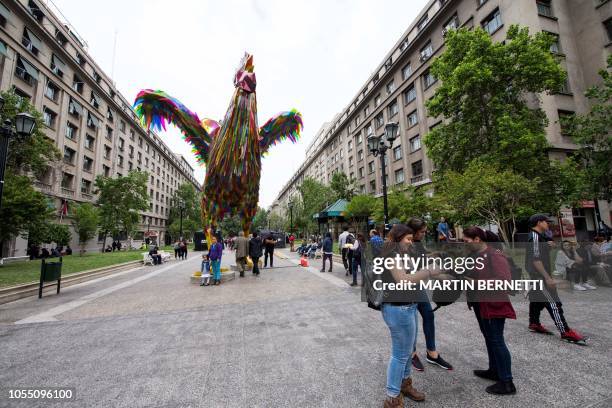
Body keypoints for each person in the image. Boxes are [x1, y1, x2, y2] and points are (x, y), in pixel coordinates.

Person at [380, 224, 444, 408]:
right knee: (400, 355)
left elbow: (414, 273)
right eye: (408, 239)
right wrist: (428, 271)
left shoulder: (402, 254)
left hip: (408, 306)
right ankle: (392, 398)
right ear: (398, 238)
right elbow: (402, 280)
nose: (411, 242)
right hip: (397, 309)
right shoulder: (391, 256)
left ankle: (405, 385)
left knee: (407, 352)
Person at [462, 227, 517, 395]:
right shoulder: (475, 256)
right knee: (489, 338)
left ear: (477, 239)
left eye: (467, 241)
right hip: (480, 303)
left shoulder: (495, 255)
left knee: (497, 340)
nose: (465, 244)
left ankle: (507, 382)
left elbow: (505, 282)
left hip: (494, 304)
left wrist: (474, 283)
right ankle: (494, 370)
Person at [525, 214, 587, 344]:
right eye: (546, 222)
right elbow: (536, 260)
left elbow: (541, 251)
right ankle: (565, 331)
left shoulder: (540, 237)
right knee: (553, 303)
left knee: (537, 300)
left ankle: (534, 323)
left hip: (539, 276)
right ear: (538, 223)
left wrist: (548, 246)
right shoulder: (535, 237)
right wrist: (547, 278)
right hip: (540, 276)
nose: (548, 224)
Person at [406, 217, 453, 372]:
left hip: (418, 287)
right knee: (412, 323)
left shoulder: (418, 243)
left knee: (428, 315)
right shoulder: (405, 244)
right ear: (413, 232)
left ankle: (431, 353)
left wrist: (436, 254)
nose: (424, 234)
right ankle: (412, 354)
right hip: (407, 289)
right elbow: (415, 267)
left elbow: (423, 258)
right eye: (422, 232)